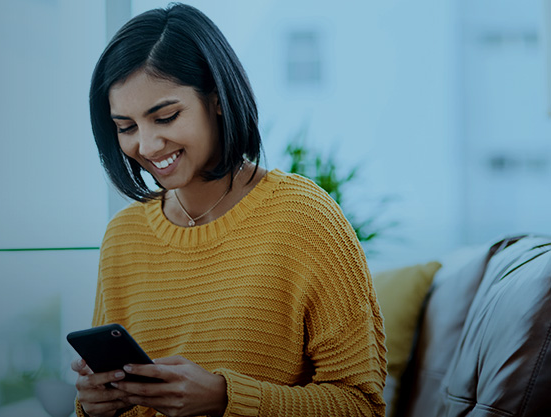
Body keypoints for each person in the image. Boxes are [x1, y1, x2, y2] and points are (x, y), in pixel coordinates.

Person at [71, 3, 387, 416]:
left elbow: (361, 405)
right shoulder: (123, 236)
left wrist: (224, 398)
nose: (145, 147)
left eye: (165, 117)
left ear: (217, 100)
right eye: (126, 128)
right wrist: (93, 408)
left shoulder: (304, 218)